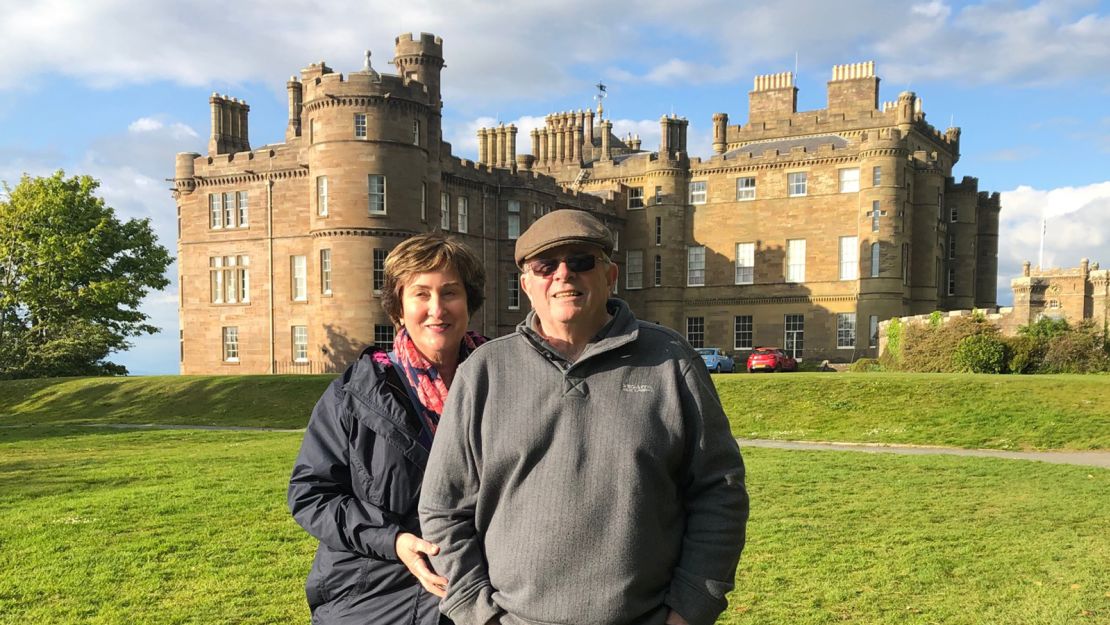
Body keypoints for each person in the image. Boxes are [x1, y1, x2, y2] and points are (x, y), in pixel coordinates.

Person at [419, 209, 749, 625]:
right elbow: (443, 509)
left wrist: (690, 609)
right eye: (545, 265)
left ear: (609, 275)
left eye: (580, 261)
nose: (563, 275)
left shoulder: (670, 359)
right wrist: (479, 616)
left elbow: (720, 492)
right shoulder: (484, 372)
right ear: (526, 284)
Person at [288, 233, 487, 624]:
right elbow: (311, 494)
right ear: (398, 306)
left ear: (469, 301)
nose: (437, 309)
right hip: (375, 594)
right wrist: (393, 541)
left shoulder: (504, 379)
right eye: (420, 294)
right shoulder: (355, 392)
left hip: (480, 588)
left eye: (450, 293)